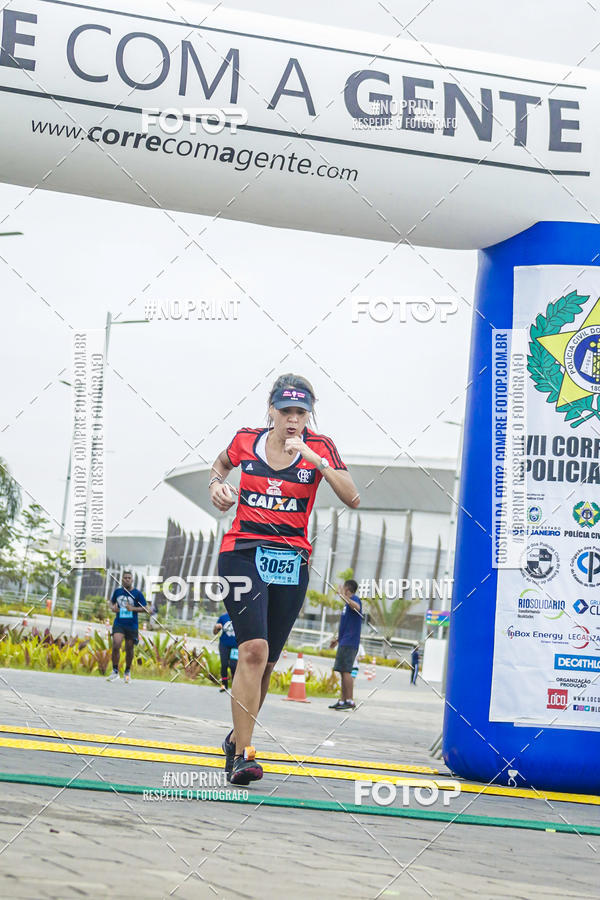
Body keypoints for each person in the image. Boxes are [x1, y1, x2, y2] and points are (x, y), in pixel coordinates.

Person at [209, 373, 360, 785]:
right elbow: (221, 464)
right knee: (253, 650)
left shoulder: (321, 447)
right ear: (271, 410)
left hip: (291, 560)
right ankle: (244, 756)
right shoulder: (246, 440)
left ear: (309, 414)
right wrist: (216, 485)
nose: (293, 420)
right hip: (242, 552)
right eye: (286, 411)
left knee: (268, 663)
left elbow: (353, 496)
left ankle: (235, 739)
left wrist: (316, 460)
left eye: (301, 412)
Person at [107, 570, 148, 683]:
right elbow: (110, 602)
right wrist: (112, 607)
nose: (127, 580)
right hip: (119, 623)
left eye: (129, 578)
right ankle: (115, 671)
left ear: (132, 580)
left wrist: (133, 609)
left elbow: (146, 609)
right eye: (125, 578)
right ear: (122, 579)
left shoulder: (137, 594)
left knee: (129, 648)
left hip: (132, 625)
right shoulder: (118, 592)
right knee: (116, 644)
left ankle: (127, 671)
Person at [329, 580, 363, 710]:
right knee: (342, 671)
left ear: (347, 589)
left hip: (350, 642)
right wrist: (337, 640)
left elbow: (357, 607)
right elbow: (346, 625)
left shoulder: (355, 600)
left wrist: (342, 596)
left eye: (343, 588)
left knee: (346, 671)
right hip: (344, 641)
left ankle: (350, 700)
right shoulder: (346, 605)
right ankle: (342, 701)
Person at [213, 611, 238, 692]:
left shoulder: (240, 615)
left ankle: (235, 686)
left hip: (236, 646)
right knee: (224, 665)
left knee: (233, 666)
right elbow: (215, 632)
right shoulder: (223, 617)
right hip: (224, 644)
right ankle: (224, 685)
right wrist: (217, 627)